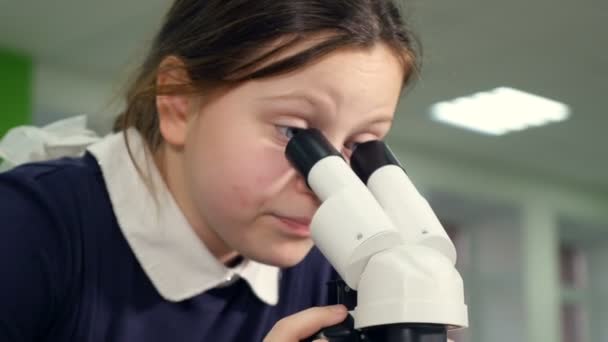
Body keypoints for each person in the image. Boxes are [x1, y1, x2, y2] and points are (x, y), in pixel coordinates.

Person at [0, 0, 419, 341]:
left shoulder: (329, 265)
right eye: (293, 131)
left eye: (360, 146)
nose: (329, 186)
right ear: (178, 101)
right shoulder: (25, 228)